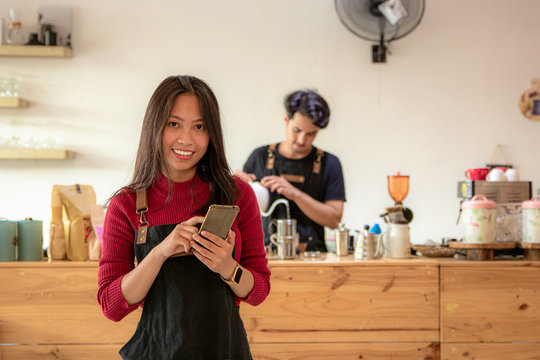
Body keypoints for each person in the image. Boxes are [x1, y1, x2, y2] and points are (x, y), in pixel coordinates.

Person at [97, 75, 270, 360]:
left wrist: (227, 266)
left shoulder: (237, 194)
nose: (186, 139)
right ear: (155, 126)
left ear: (211, 133)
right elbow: (112, 306)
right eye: (173, 124)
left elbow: (259, 291)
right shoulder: (126, 204)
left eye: (199, 126)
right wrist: (160, 252)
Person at [235, 89, 345, 252]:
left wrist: (295, 194)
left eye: (311, 133)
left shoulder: (330, 163)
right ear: (286, 119)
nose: (302, 140)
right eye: (297, 130)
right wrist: (236, 188)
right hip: (265, 255)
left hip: (313, 257)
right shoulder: (260, 157)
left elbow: (334, 219)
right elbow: (240, 215)